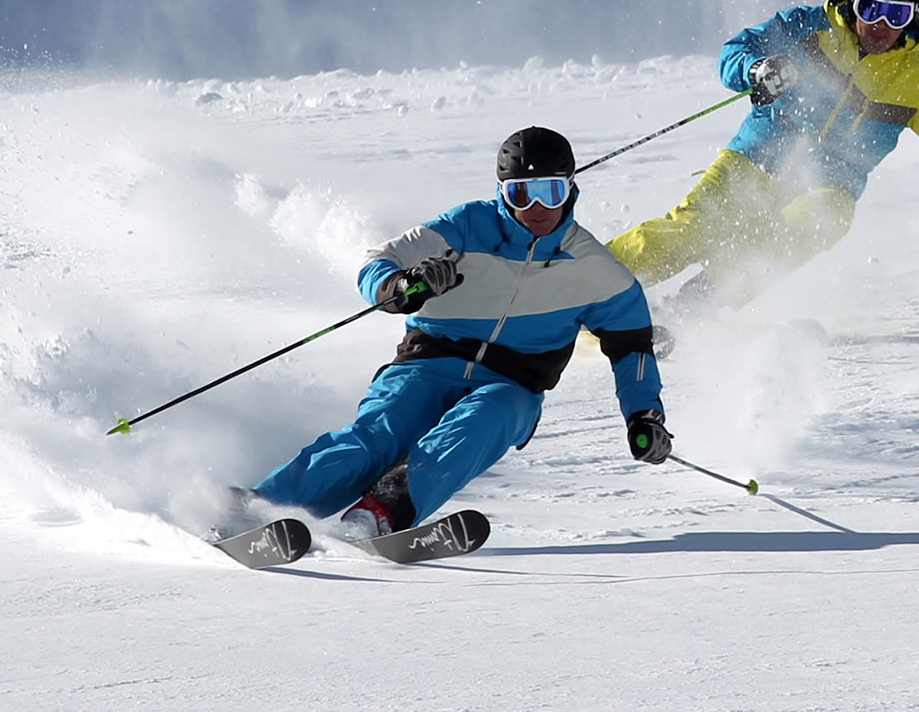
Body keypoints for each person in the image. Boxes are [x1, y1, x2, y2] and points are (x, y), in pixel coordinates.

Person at [246, 126, 673, 539]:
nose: (536, 208)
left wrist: (644, 414)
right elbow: (379, 261)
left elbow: (632, 347)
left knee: (485, 420)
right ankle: (261, 509)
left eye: (551, 191)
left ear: (570, 189)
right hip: (428, 364)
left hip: (513, 383)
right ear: (503, 192)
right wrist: (402, 286)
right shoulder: (467, 226)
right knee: (379, 434)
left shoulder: (593, 269)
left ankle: (379, 515)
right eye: (521, 193)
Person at [605, 0, 919, 316]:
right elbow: (735, 52)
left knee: (826, 217)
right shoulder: (807, 28)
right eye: (871, 9)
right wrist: (758, 70)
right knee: (694, 230)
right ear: (852, 2)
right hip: (757, 159)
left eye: (897, 14)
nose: (881, 26)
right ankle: (580, 288)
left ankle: (696, 304)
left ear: (913, 17)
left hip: (831, 182)